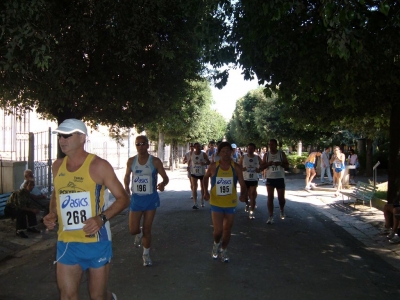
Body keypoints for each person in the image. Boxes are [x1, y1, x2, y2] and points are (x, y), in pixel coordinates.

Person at [43, 118, 129, 300]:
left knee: (97, 296)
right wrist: (52, 214)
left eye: (67, 135)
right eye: (60, 136)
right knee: (67, 295)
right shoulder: (57, 166)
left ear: (82, 138)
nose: (62, 140)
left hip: (96, 242)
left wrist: (101, 219)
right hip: (67, 242)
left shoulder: (99, 166)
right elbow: (56, 195)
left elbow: (123, 198)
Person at [124, 135, 169, 266]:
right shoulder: (131, 161)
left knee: (147, 229)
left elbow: (165, 178)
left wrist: (162, 184)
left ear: (148, 145)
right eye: (138, 144)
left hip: (150, 199)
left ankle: (146, 255)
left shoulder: (155, 161)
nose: (140, 146)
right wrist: (126, 189)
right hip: (136, 199)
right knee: (133, 229)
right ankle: (138, 235)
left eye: (143, 143)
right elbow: (127, 176)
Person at [203, 142, 247, 262]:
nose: (225, 153)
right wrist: (205, 192)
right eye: (223, 151)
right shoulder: (213, 166)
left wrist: (243, 194)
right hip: (216, 202)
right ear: (219, 153)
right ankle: (216, 244)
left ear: (231, 152)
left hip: (230, 203)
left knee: (227, 230)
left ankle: (224, 249)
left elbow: (242, 183)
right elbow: (205, 177)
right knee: (218, 231)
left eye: (228, 151)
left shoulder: (236, 167)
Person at [260, 139, 289, 224]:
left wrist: (280, 164)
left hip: (280, 178)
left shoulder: (281, 154)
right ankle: (270, 216)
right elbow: (261, 167)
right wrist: (268, 164)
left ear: (276, 145)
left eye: (272, 144)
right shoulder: (266, 155)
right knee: (270, 198)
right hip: (270, 178)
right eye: (269, 145)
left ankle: (281, 209)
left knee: (281, 198)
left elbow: (287, 166)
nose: (271, 146)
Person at [239, 143, 262, 219]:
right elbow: (238, 167)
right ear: (247, 149)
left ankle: (251, 212)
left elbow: (263, 165)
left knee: (252, 194)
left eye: (252, 149)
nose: (250, 150)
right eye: (249, 148)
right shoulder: (243, 157)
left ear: (254, 149)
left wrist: (259, 169)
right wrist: (242, 169)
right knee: (245, 196)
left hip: (254, 178)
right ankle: (247, 203)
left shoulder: (257, 158)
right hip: (245, 178)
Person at [188, 142, 210, 209]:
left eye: (199, 146)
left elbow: (209, 162)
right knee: (194, 187)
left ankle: (202, 201)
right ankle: (195, 203)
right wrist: (188, 166)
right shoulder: (192, 153)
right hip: (194, 172)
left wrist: (204, 163)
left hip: (202, 173)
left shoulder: (203, 154)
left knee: (202, 188)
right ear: (194, 147)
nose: (198, 147)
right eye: (197, 146)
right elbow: (190, 160)